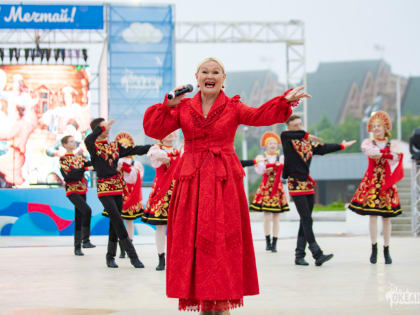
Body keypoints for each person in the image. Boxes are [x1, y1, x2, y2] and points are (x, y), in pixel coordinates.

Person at [143, 57, 311, 314]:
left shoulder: (234, 107)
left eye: (216, 72)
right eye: (204, 72)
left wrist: (284, 102)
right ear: (196, 77)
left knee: (221, 240)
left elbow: (259, 115)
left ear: (223, 79)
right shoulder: (184, 107)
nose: (210, 75)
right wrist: (167, 105)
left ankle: (221, 301)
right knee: (193, 242)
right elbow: (153, 127)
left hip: (223, 183)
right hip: (191, 183)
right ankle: (201, 299)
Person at [281, 115, 355, 266]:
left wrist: (341, 146)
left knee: (305, 219)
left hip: (307, 183)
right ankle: (316, 253)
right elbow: (290, 134)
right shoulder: (286, 138)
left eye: (300, 124)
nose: (299, 127)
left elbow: (322, 149)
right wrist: (307, 134)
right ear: (288, 127)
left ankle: (299, 255)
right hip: (295, 183)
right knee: (307, 219)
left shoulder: (306, 142)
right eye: (295, 125)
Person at [84, 118, 151, 269]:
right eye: (103, 127)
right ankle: (133, 256)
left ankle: (110, 256)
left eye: (106, 126)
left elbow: (134, 149)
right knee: (116, 219)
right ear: (97, 129)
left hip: (117, 187)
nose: (107, 129)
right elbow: (88, 138)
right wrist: (101, 128)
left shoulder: (114, 146)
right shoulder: (93, 146)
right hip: (104, 188)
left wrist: (152, 147)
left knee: (115, 222)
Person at [348, 111, 403, 264]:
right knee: (372, 215)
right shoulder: (367, 142)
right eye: (374, 126)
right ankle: (374, 248)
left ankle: (386, 249)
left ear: (385, 127)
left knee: (386, 217)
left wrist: (385, 154)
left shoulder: (394, 143)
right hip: (372, 181)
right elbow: (372, 153)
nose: (376, 128)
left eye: (379, 125)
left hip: (386, 182)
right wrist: (387, 154)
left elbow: (396, 158)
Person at [102, 132, 145, 259]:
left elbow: (138, 177)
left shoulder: (135, 163)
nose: (124, 147)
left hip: (129, 194)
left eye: (127, 145)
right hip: (117, 192)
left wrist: (128, 169)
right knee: (116, 220)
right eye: (122, 145)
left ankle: (129, 244)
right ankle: (120, 247)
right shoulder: (114, 161)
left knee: (129, 221)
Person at [142, 131, 180, 271]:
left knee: (177, 227)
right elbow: (157, 159)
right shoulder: (156, 149)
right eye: (166, 132)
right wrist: (169, 157)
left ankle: (175, 257)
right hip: (162, 190)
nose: (169, 134)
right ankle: (161, 257)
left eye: (172, 132)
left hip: (177, 190)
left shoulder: (180, 150)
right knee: (160, 226)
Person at [250, 131, 289, 253]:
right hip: (266, 187)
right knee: (266, 216)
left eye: (274, 143)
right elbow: (260, 171)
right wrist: (266, 168)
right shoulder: (262, 158)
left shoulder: (281, 157)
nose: (273, 145)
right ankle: (268, 241)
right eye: (270, 143)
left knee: (276, 216)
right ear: (266, 145)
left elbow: (284, 171)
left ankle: (275, 243)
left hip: (277, 188)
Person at [59, 135, 96, 255]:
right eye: (70, 141)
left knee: (79, 217)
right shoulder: (63, 159)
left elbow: (93, 165)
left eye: (73, 141)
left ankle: (77, 247)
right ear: (64, 145)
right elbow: (69, 177)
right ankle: (85, 240)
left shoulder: (80, 158)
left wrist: (85, 168)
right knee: (87, 210)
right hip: (72, 191)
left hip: (82, 190)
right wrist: (83, 169)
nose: (73, 143)